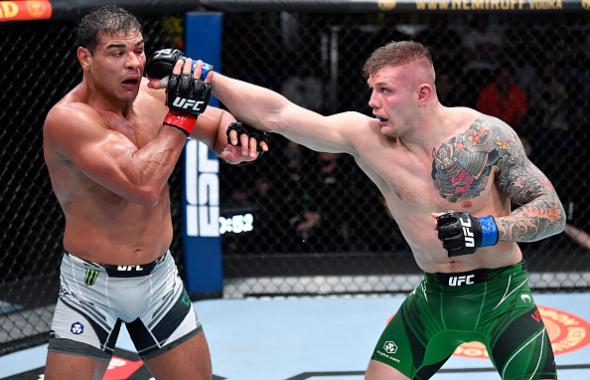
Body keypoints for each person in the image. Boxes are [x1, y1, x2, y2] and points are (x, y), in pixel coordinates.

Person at [172, 40, 566, 379]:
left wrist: (486, 229)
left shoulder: (485, 136)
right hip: (434, 299)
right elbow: (278, 115)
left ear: (423, 94)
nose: (372, 102)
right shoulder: (365, 138)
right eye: (372, 89)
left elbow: (552, 212)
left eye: (385, 91)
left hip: (502, 296)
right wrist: (208, 77)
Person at [42, 5, 267, 380]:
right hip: (90, 289)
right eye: (117, 52)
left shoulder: (152, 96)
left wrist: (234, 140)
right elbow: (142, 186)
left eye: (138, 50)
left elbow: (216, 124)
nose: (133, 63)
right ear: (86, 57)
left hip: (159, 281)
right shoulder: (70, 120)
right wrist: (181, 116)